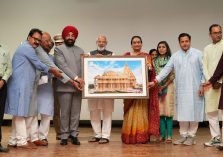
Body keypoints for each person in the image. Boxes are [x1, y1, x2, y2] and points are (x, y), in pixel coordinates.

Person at [5, 28, 62, 149]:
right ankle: (21, 141)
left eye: (39, 40)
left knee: (19, 113)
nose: (37, 42)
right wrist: (53, 70)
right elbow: (38, 64)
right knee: (20, 114)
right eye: (35, 39)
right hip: (20, 85)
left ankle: (13, 140)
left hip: (24, 85)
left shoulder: (29, 48)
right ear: (28, 37)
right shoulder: (27, 48)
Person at [148, 33, 204, 146]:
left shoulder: (198, 54)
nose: (185, 43)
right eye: (182, 41)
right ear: (179, 43)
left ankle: (191, 136)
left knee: (194, 112)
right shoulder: (175, 56)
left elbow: (204, 70)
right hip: (182, 89)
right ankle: (183, 136)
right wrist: (155, 81)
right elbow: (166, 70)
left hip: (196, 88)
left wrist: (202, 84)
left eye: (186, 41)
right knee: (182, 113)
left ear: (190, 41)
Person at [121, 36, 159, 144]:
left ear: (141, 44)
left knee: (141, 111)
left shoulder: (146, 56)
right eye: (134, 42)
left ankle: (141, 137)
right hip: (129, 91)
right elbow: (121, 67)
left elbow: (152, 73)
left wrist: (149, 68)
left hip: (142, 90)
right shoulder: (126, 56)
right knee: (130, 112)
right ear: (131, 44)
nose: (136, 44)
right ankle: (129, 136)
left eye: (138, 42)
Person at [55, 25, 84, 145]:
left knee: (76, 112)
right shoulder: (59, 49)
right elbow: (63, 66)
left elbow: (84, 67)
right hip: (65, 87)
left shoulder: (81, 50)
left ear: (75, 37)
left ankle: (74, 134)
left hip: (78, 87)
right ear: (64, 36)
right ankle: (64, 136)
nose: (70, 37)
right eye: (68, 35)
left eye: (73, 35)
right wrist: (77, 78)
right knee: (65, 112)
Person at [88, 35, 114, 144]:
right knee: (94, 111)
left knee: (107, 112)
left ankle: (106, 136)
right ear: (96, 42)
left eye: (103, 41)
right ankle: (97, 134)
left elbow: (111, 68)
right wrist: (93, 59)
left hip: (107, 86)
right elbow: (88, 68)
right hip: (95, 88)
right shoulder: (89, 54)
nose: (101, 43)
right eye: (99, 41)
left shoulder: (112, 54)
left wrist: (103, 60)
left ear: (106, 43)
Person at [203, 24, 223, 147]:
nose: (218, 34)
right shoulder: (207, 48)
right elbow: (204, 66)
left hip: (221, 83)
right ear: (210, 34)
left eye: (220, 32)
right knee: (211, 111)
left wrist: (219, 81)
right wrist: (210, 81)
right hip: (210, 84)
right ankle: (215, 138)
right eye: (215, 33)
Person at [154, 41, 175, 143]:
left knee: (168, 111)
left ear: (167, 48)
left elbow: (172, 75)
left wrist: (164, 85)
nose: (161, 49)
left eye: (163, 47)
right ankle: (162, 135)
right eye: (159, 47)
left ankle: (169, 136)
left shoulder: (171, 60)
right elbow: (153, 75)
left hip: (169, 86)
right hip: (157, 87)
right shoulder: (154, 61)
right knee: (161, 112)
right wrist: (158, 85)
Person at [0, 43, 12, 152]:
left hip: (1, 84)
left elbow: (9, 68)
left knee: (0, 114)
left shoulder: (5, 50)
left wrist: (3, 80)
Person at [52, 34, 64, 140]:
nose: (59, 45)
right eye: (57, 43)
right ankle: (59, 132)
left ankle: (67, 131)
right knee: (56, 109)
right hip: (55, 83)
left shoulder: (67, 56)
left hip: (67, 83)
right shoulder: (51, 56)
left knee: (67, 109)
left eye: (61, 43)